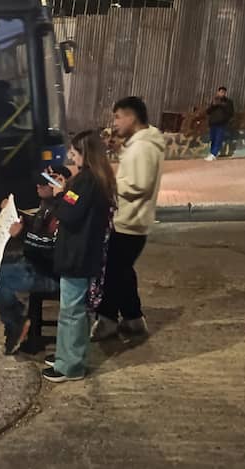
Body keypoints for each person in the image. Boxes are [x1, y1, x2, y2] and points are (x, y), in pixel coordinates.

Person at [41, 130, 116, 383]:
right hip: (83, 252)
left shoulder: (87, 181)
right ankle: (67, 355)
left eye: (74, 152)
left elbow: (70, 213)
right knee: (74, 310)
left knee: (71, 311)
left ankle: (70, 366)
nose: (71, 157)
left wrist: (58, 195)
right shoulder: (94, 178)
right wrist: (65, 191)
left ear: (86, 153)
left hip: (77, 254)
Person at [91, 96, 165, 340]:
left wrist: (107, 183)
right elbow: (136, 171)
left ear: (132, 117)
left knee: (111, 274)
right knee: (122, 272)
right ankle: (133, 319)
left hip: (129, 221)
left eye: (118, 117)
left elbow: (139, 184)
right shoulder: (141, 144)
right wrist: (121, 151)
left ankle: (107, 320)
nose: (115, 122)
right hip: (133, 220)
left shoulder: (143, 147)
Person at [0, 165, 72, 354]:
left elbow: (51, 244)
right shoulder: (49, 204)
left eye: (43, 183)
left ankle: (16, 324)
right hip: (38, 264)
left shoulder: (64, 208)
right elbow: (37, 228)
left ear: (57, 184)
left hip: (52, 273)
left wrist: (22, 234)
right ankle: (17, 321)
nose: (38, 185)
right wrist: (13, 214)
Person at [205, 86, 235, 161]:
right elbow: (208, 111)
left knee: (218, 139)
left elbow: (231, 112)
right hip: (213, 123)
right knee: (213, 139)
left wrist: (222, 106)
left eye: (223, 92)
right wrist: (213, 106)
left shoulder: (228, 102)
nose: (222, 93)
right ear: (218, 92)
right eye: (221, 92)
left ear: (225, 93)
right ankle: (212, 153)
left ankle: (214, 154)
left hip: (221, 123)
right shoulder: (214, 100)